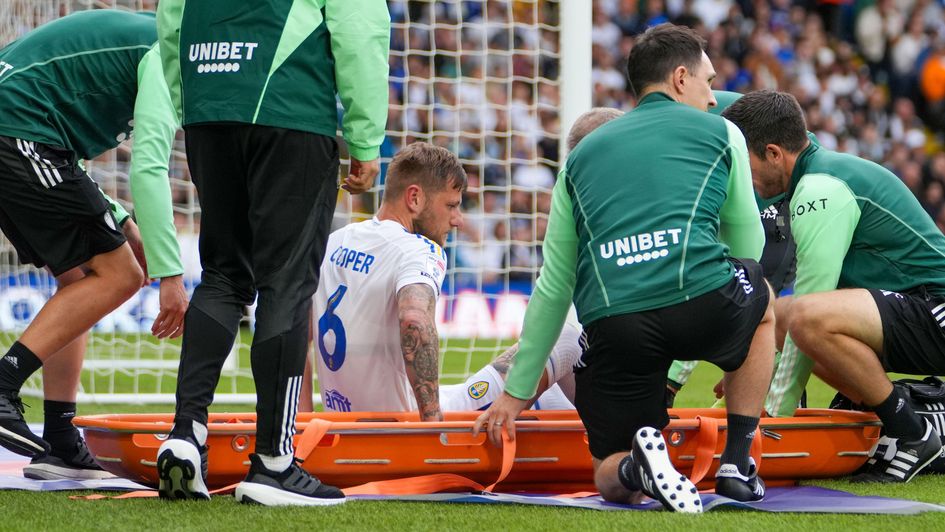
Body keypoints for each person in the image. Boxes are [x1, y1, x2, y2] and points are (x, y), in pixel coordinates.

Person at [473, 23, 775, 511]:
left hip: (615, 323)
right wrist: (733, 346)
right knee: (762, 303)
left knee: (609, 471)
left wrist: (517, 391)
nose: (714, 97)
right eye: (709, 81)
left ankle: (638, 466)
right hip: (700, 301)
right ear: (680, 78)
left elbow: (554, 286)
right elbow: (748, 243)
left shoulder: (579, 156)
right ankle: (737, 463)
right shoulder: (723, 132)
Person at [155, 0, 390, 506]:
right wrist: (366, 138)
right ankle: (274, 463)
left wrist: (192, 105)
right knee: (285, 282)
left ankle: (186, 434)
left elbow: (171, 19)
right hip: (289, 111)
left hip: (209, 107)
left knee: (221, 274)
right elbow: (360, 31)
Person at [309, 109, 625, 416]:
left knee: (548, 390)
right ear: (415, 198)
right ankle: (614, 442)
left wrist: (299, 422)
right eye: (451, 205)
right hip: (408, 426)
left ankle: (583, 444)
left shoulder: (336, 240)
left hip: (347, 419)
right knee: (566, 339)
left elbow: (298, 334)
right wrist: (433, 426)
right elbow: (414, 320)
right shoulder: (417, 249)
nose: (459, 220)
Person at [0, 10, 187, 480]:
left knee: (82, 277)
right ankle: (3, 383)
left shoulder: (142, 42)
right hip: (19, 128)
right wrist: (170, 273)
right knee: (123, 274)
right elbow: (147, 168)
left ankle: (61, 439)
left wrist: (122, 222)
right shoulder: (168, 52)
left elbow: (68, 163)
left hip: (24, 130)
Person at [722, 90, 945, 483]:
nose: (746, 177)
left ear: (774, 153)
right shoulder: (816, 171)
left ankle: (913, 433)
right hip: (916, 308)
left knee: (801, 315)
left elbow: (810, 308)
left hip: (936, 307)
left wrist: (774, 414)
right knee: (780, 314)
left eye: (747, 162)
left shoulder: (820, 189)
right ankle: (890, 414)